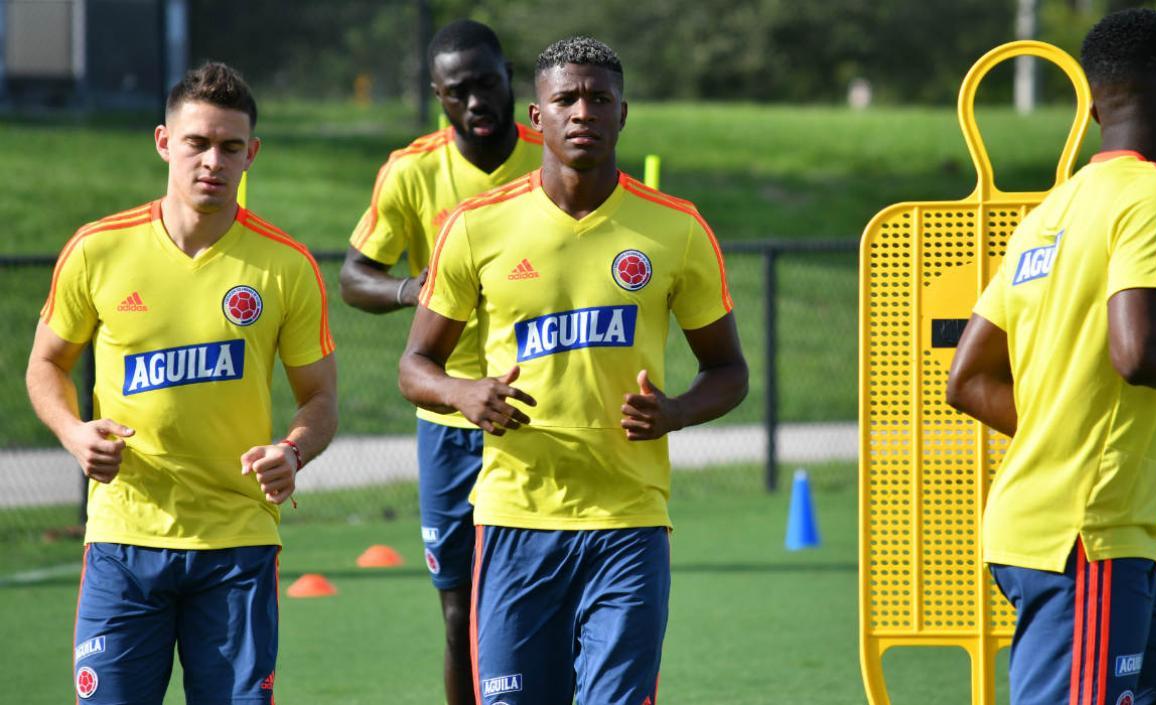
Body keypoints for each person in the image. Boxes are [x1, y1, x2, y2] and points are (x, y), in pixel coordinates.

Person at [399, 36, 747, 705]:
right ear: (537, 116)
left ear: (623, 114)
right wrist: (462, 393)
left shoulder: (676, 229)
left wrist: (675, 411)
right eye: (566, 99)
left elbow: (729, 370)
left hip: (628, 524)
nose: (583, 111)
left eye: (599, 99)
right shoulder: (475, 227)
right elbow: (415, 365)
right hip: (515, 522)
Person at [946, 9, 1156, 705]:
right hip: (1087, 539)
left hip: (1050, 529)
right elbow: (1141, 351)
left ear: (1091, 110)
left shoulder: (1049, 214)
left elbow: (968, 378)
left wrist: (1124, 447)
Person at [26, 62, 337, 704]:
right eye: (197, 142)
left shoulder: (286, 266)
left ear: (251, 154)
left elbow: (320, 399)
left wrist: (292, 451)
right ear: (165, 142)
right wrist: (73, 432)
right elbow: (46, 365)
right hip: (124, 539)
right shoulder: (97, 250)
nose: (212, 161)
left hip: (237, 544)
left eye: (230, 147)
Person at [338, 19, 541, 705]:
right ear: (438, 96)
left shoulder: (551, 158)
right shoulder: (412, 171)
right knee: (460, 613)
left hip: (535, 413)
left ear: (509, 77)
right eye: (458, 91)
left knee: (547, 604)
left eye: (486, 83)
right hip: (449, 420)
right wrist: (411, 289)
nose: (476, 102)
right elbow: (354, 276)